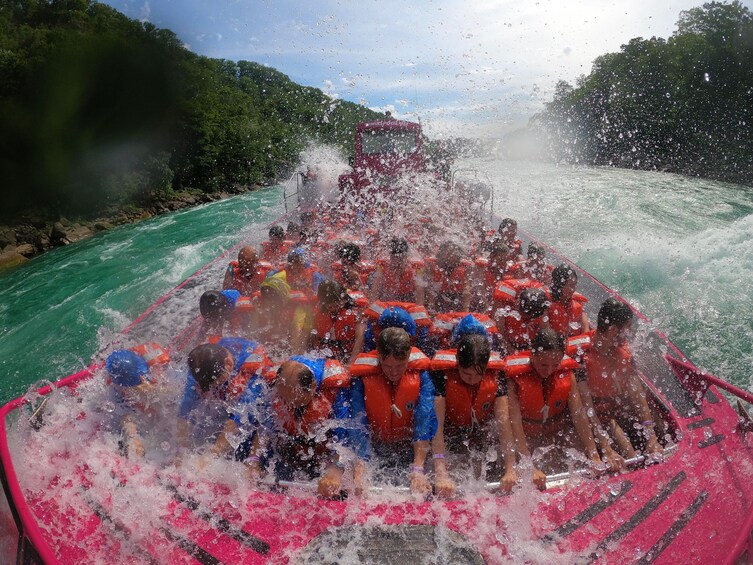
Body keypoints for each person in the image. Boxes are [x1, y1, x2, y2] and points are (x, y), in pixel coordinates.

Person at [501, 328, 621, 488]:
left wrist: (594, 454)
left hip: (555, 434)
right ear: (532, 355)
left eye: (555, 365)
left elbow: (579, 415)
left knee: (588, 466)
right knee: (526, 477)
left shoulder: (567, 374)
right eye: (544, 364)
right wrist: (528, 465)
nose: (549, 370)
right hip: (527, 439)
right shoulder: (513, 380)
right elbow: (513, 422)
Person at [429, 317, 512, 496]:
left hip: (479, 431)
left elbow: (505, 425)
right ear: (457, 362)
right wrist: (441, 473)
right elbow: (437, 427)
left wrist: (510, 468)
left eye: (477, 375)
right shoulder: (441, 377)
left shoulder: (497, 377)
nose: (472, 380)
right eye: (466, 374)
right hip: (451, 431)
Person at [349, 327, 437, 495]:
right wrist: (360, 469)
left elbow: (424, 421)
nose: (394, 372)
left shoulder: (422, 376)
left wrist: (418, 470)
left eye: (400, 365)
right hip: (374, 447)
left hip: (407, 447)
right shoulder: (361, 379)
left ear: (409, 355)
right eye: (388, 366)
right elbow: (357, 423)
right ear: (379, 356)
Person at [578, 298, 663, 457]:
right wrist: (606, 447)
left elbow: (637, 395)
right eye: (627, 329)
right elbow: (585, 407)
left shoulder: (622, 350)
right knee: (629, 453)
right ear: (612, 330)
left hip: (616, 409)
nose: (628, 333)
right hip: (596, 418)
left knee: (660, 428)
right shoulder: (581, 356)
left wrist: (651, 436)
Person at [268, 356, 360, 498]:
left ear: (312, 387)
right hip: (294, 448)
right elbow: (263, 427)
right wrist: (253, 461)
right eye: (285, 399)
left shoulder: (335, 389)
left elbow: (346, 437)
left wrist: (335, 471)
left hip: (325, 451)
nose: (289, 405)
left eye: (294, 400)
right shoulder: (279, 383)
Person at [176, 341, 271, 477]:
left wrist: (213, 454)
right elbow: (185, 409)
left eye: (217, 382)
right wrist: (181, 451)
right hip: (218, 365)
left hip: (253, 395)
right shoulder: (200, 365)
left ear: (229, 364)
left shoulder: (253, 369)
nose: (211, 387)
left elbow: (240, 416)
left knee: (261, 408)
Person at [105, 346, 170, 459]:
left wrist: (155, 390)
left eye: (129, 387)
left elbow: (175, 394)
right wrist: (133, 437)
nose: (124, 390)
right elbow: (125, 414)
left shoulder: (156, 370)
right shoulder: (115, 386)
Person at [306, 279, 367, 365]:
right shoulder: (318, 312)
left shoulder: (356, 312)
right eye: (329, 304)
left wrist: (350, 364)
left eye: (336, 302)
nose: (333, 306)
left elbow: (360, 338)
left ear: (342, 299)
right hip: (323, 356)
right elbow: (306, 336)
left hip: (346, 356)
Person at [368, 237, 426, 305]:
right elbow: (375, 290)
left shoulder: (416, 268)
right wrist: (371, 307)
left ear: (406, 257)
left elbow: (420, 294)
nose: (396, 262)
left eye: (400, 259)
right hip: (388, 294)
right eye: (393, 258)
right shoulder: (382, 266)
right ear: (390, 256)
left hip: (408, 296)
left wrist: (418, 312)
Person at [497, 287, 550, 352]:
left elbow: (545, 331)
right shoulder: (504, 301)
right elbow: (498, 330)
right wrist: (509, 348)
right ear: (517, 304)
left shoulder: (540, 303)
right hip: (510, 342)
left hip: (530, 344)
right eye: (524, 318)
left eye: (530, 319)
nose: (526, 322)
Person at [426, 241, 472, 313]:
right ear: (441, 254)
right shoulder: (433, 265)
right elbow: (431, 289)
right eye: (447, 252)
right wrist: (431, 308)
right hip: (439, 296)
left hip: (457, 297)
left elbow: (467, 290)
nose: (450, 255)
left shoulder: (465, 267)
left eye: (453, 253)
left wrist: (465, 311)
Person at [548, 264, 590, 337]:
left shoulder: (576, 302)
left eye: (575, 284)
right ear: (559, 286)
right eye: (570, 285)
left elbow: (586, 330)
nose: (573, 289)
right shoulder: (547, 306)